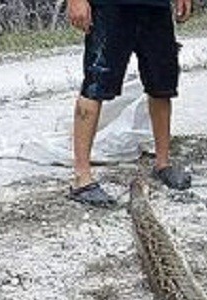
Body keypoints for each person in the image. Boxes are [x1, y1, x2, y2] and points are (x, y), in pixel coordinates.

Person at [66, 0, 193, 207]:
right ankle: (82, 178)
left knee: (162, 85)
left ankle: (163, 164)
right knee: (95, 84)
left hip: (156, 7)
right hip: (109, 7)